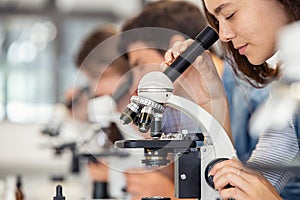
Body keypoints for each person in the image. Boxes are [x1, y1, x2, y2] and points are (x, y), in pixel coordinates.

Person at [118, 0, 273, 199]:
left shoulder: (257, 99)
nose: (134, 87)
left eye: (140, 66)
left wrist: (169, 192)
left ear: (173, 47)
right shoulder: (192, 99)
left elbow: (263, 189)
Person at [164, 0, 300, 199]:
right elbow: (239, 187)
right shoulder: (289, 86)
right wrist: (211, 97)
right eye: (217, 22)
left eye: (229, 15)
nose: (223, 35)